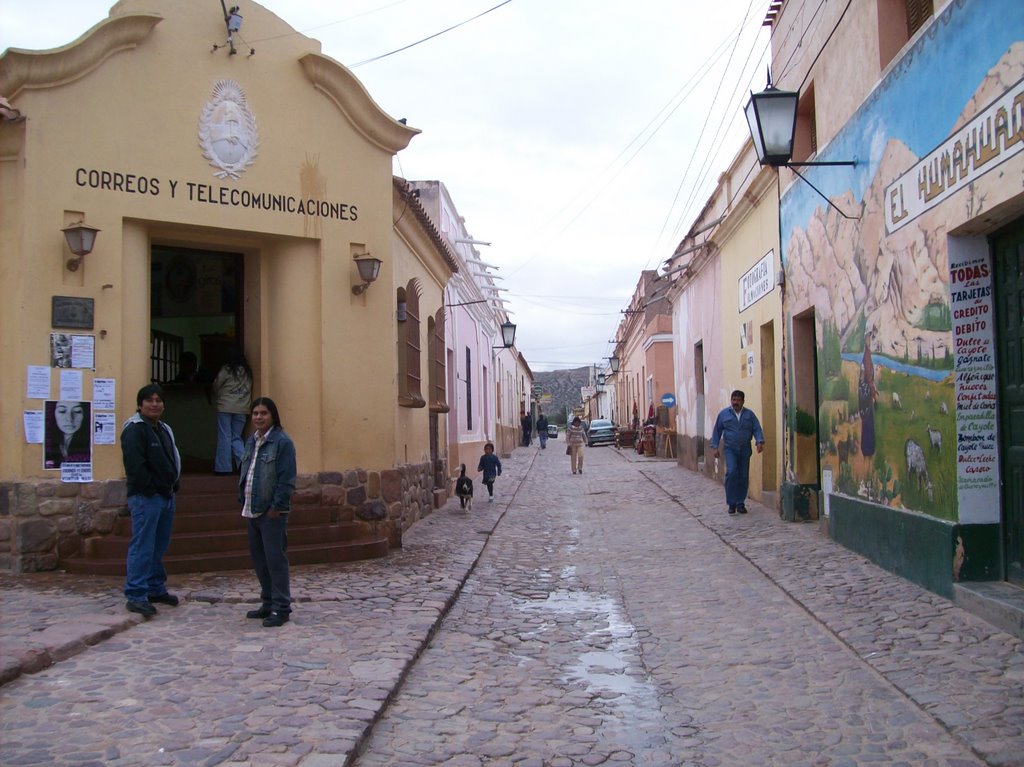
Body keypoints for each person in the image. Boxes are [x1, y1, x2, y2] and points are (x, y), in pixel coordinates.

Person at [121, 384, 181, 617]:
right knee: (143, 545)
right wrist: (151, 489)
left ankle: (155, 587)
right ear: (140, 404)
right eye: (149, 400)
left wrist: (173, 485)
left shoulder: (163, 428)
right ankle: (136, 593)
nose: (154, 404)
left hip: (166, 495)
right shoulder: (135, 430)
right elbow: (136, 466)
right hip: (146, 497)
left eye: (158, 400)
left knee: (159, 545)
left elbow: (171, 457)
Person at [239, 397, 297, 628]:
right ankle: (267, 602)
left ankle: (281, 607)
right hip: (251, 509)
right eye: (255, 413)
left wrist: (276, 507)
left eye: (264, 413)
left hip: (271, 511)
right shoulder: (251, 441)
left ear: (273, 415)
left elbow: (286, 478)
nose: (259, 417)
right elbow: (248, 471)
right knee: (260, 560)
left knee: (275, 560)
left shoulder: (282, 442)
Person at [710, 389, 765, 515]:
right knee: (731, 472)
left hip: (745, 448)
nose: (735, 402)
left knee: (743, 476)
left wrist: (759, 442)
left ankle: (740, 503)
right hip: (730, 449)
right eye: (733, 400)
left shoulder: (749, 415)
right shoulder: (724, 414)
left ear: (743, 401)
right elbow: (717, 431)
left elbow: (757, 428)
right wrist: (714, 447)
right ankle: (731, 503)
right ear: (731, 400)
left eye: (738, 400)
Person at [212, 346, 252, 475]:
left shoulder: (226, 370)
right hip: (242, 408)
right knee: (236, 437)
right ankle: (245, 465)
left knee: (224, 436)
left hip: (225, 406)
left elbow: (217, 385)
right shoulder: (248, 371)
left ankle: (223, 468)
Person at [44, 400, 91, 469]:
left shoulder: (90, 446)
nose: (69, 419)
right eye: (62, 411)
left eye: (77, 411)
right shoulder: (45, 445)